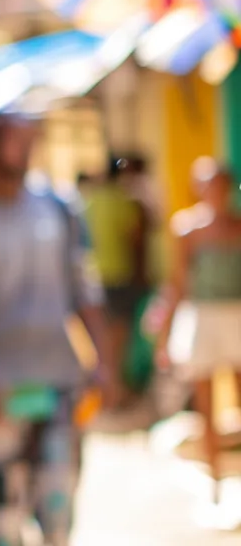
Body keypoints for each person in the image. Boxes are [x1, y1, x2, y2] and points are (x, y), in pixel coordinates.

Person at [0, 112, 118, 546]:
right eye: (15, 140)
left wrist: (104, 364)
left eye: (29, 141)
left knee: (57, 512)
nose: (25, 150)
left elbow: (86, 294)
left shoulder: (60, 209)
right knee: (1, 523)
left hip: (58, 384)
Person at [150, 158, 241, 502]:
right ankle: (215, 479)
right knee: (206, 404)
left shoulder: (238, 225)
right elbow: (177, 282)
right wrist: (164, 333)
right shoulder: (187, 229)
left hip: (236, 318)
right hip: (204, 321)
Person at [84, 156, 154, 397]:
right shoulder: (122, 200)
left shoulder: (90, 200)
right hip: (120, 275)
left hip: (96, 275)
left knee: (104, 333)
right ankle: (113, 389)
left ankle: (109, 387)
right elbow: (135, 236)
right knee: (118, 334)